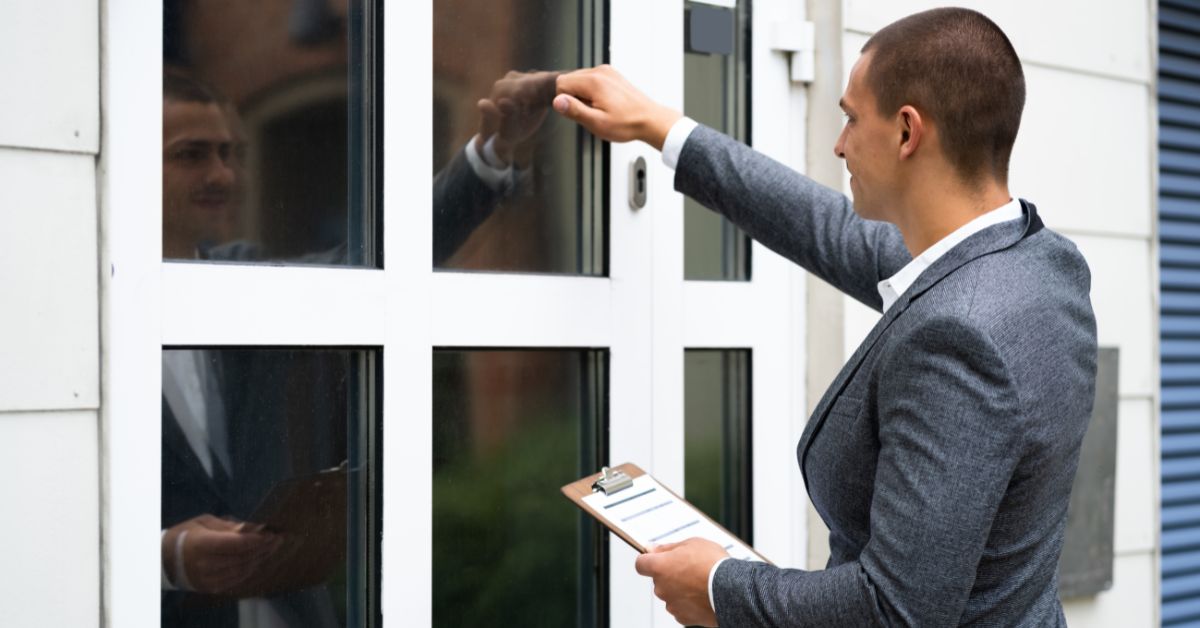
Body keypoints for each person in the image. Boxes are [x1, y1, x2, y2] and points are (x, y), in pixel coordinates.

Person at [554, 8, 1096, 627]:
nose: (839, 144)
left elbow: (895, 611)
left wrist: (718, 587)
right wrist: (661, 127)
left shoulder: (959, 334)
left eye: (850, 117)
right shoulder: (1039, 260)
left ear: (906, 132)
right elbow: (827, 227)